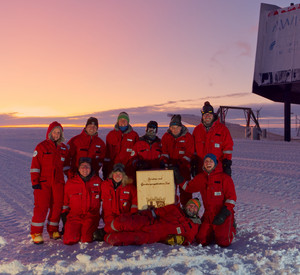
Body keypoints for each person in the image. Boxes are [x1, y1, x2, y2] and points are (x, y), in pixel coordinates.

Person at [179, 153, 237, 247]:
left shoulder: (224, 178)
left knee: (223, 242)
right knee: (201, 240)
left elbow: (231, 198)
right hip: (208, 214)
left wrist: (224, 213)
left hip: (223, 213)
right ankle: (215, 231)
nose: (208, 163)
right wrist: (179, 179)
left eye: (211, 161)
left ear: (215, 163)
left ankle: (232, 228)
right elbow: (188, 187)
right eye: (206, 161)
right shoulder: (201, 177)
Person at [30, 121, 69, 244]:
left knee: (57, 207)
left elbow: (66, 166)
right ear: (50, 132)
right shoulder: (41, 146)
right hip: (43, 183)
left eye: (59, 133)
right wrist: (35, 181)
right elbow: (35, 165)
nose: (56, 135)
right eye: (55, 132)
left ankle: (53, 230)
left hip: (58, 183)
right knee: (41, 207)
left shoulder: (63, 148)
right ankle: (36, 232)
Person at [104, 198, 202, 246]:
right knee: (122, 222)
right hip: (149, 221)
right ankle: (104, 230)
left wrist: (181, 240)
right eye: (190, 205)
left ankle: (105, 236)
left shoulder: (194, 225)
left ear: (197, 211)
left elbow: (189, 240)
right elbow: (156, 212)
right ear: (186, 205)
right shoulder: (174, 209)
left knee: (120, 239)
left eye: (195, 207)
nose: (192, 208)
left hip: (154, 236)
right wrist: (145, 213)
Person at [62, 157, 102, 245]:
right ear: (78, 168)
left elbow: (106, 199)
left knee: (86, 239)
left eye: (87, 167)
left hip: (91, 216)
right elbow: (65, 201)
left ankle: (93, 232)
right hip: (74, 216)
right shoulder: (71, 182)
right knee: (69, 240)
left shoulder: (98, 181)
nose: (85, 169)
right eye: (82, 166)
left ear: (91, 168)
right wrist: (65, 215)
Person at [192, 101, 233, 176]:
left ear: (213, 115)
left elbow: (228, 148)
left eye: (209, 114)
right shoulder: (197, 130)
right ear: (202, 116)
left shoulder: (223, 129)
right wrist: (194, 163)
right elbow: (193, 150)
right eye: (205, 114)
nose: (207, 116)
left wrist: (226, 164)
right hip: (200, 170)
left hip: (217, 170)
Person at [160, 114, 194, 206]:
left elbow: (189, 154)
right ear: (170, 128)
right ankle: (171, 211)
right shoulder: (166, 137)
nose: (175, 130)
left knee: (185, 191)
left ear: (181, 127)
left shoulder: (187, 137)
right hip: (170, 169)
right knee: (169, 191)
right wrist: (164, 161)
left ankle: (187, 211)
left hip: (184, 169)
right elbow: (164, 152)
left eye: (177, 127)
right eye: (172, 127)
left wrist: (180, 163)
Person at [101, 163, 138, 233]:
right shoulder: (104, 185)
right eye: (115, 174)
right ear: (112, 174)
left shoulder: (130, 187)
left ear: (124, 176)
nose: (117, 176)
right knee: (112, 232)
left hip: (124, 217)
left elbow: (135, 201)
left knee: (124, 233)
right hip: (109, 217)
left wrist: (132, 215)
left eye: (120, 174)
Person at [103, 112, 139, 179]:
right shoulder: (111, 135)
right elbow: (107, 154)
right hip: (113, 171)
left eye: (125, 120)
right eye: (121, 120)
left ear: (128, 122)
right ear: (118, 121)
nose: (123, 122)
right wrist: (105, 170)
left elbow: (136, 154)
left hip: (128, 171)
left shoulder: (134, 135)